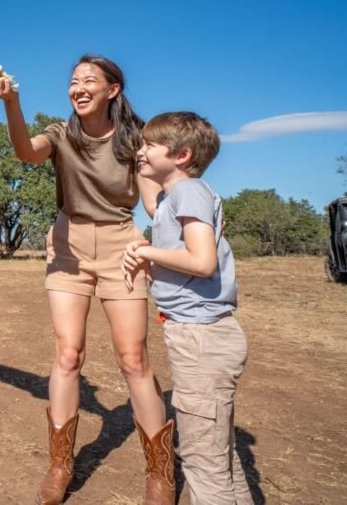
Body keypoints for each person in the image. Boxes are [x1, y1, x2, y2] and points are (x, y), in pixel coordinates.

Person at [0, 55, 173, 505]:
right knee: (67, 355)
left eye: (90, 80)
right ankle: (59, 466)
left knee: (133, 359)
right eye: (73, 81)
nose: (79, 87)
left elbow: (153, 203)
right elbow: (25, 153)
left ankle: (160, 473)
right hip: (69, 245)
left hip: (121, 249)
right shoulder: (60, 134)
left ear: (113, 90)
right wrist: (11, 103)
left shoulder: (136, 139)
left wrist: (192, 214)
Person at [123, 112, 251, 504]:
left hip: (202, 338)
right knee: (219, 459)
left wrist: (146, 252)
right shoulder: (170, 198)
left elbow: (202, 261)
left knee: (202, 465)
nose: (141, 152)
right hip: (196, 335)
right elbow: (151, 196)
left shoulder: (189, 191)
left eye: (149, 146)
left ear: (182, 155)